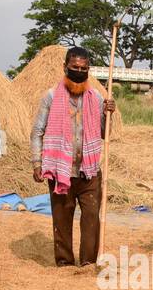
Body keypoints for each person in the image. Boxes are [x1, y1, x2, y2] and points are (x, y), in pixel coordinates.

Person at [30, 46, 116, 266]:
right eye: (75, 67)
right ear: (65, 67)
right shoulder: (51, 97)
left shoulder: (96, 97)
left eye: (84, 68)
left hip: (89, 171)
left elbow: (104, 133)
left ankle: (88, 262)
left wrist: (109, 115)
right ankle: (65, 263)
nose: (79, 72)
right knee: (62, 218)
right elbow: (38, 131)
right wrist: (37, 162)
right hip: (61, 170)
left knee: (91, 219)